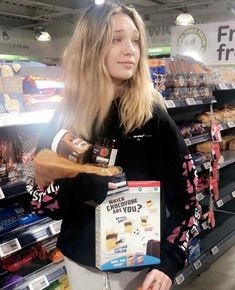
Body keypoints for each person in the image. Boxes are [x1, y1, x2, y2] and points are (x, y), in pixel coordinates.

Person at [28, 2, 200, 290]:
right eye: (116, 39)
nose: (130, 49)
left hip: (140, 271)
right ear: (90, 47)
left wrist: (170, 261)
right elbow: (38, 199)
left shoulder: (153, 118)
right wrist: (78, 187)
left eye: (135, 40)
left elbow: (188, 199)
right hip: (82, 268)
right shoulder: (64, 119)